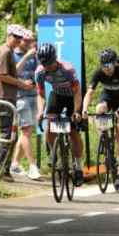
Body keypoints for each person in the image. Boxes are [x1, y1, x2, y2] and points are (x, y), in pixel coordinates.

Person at [82, 48, 119, 189]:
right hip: (108, 96)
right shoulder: (99, 72)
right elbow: (89, 93)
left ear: (114, 64)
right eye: (104, 66)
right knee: (99, 109)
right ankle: (104, 138)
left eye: (109, 66)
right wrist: (85, 109)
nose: (107, 69)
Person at [35, 43, 85, 186]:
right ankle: (54, 153)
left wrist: (76, 112)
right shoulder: (40, 72)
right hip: (57, 95)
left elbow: (77, 92)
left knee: (73, 132)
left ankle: (78, 166)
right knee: (50, 124)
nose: (47, 67)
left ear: (55, 59)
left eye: (49, 64)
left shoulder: (67, 70)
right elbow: (41, 95)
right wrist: (40, 112)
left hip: (72, 98)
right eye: (44, 64)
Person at [0, 25, 34, 178]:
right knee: (6, 135)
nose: (18, 40)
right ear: (9, 35)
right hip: (3, 98)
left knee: (12, 135)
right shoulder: (5, 51)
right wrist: (22, 84)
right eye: (15, 37)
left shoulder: (8, 50)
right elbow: (1, 75)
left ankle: (5, 169)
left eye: (19, 38)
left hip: (9, 97)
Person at [10, 30, 41, 180]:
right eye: (26, 41)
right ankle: (32, 166)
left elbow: (38, 72)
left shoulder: (34, 55)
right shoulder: (12, 54)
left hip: (33, 95)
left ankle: (15, 164)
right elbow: (13, 72)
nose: (29, 43)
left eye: (31, 41)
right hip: (20, 97)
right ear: (20, 40)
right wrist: (27, 56)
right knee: (26, 131)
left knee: (26, 133)